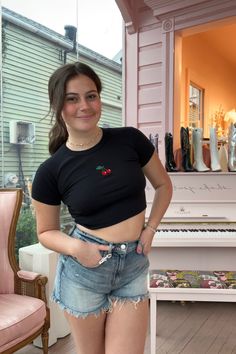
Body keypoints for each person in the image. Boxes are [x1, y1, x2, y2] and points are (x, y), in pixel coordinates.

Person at [32, 62, 173, 354]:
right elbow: (46, 231)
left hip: (133, 263)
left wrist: (150, 229)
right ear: (58, 106)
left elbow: (163, 186)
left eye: (91, 95)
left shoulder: (130, 140)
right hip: (85, 270)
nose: (84, 105)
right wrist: (77, 249)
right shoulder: (51, 170)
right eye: (72, 99)